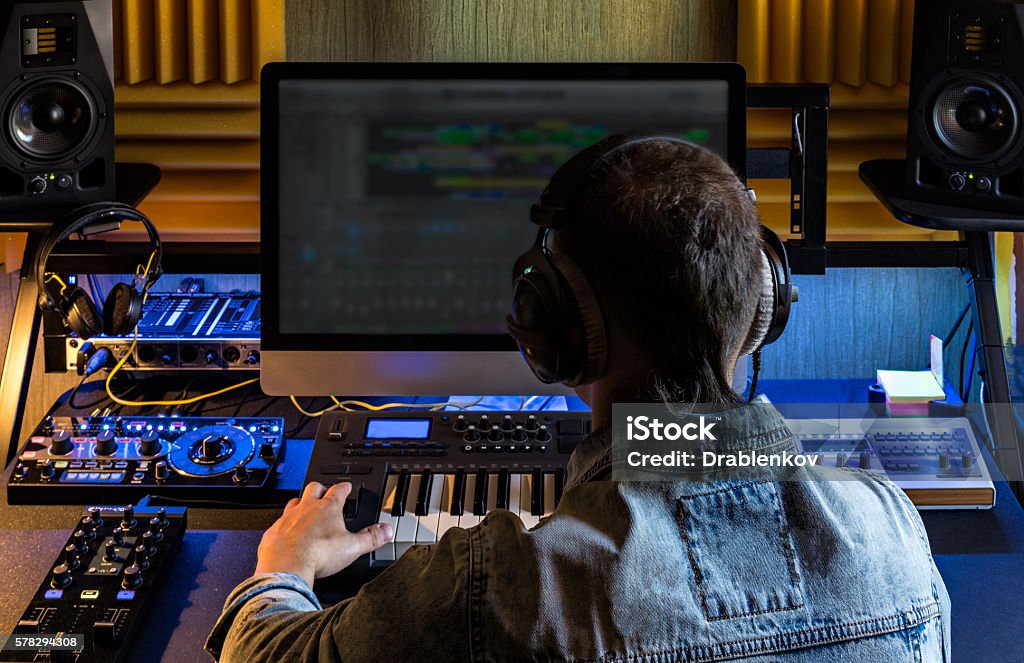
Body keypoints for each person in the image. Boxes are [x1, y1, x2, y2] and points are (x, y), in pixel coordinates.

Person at [206, 137, 950, 662]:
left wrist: (281, 569)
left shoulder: (499, 590)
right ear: (761, 308)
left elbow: (264, 653)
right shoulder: (897, 537)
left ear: (557, 329)